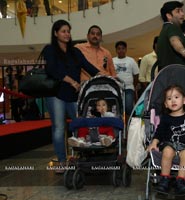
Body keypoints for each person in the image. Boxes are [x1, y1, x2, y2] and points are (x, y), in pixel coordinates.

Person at [43, 19, 100, 173]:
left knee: (80, 124)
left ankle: (81, 156)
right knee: (59, 128)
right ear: (56, 33)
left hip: (73, 95)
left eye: (68, 31)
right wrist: (72, 81)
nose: (67, 34)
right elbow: (52, 70)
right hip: (56, 94)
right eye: (63, 31)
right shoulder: (50, 50)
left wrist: (104, 76)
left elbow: (88, 67)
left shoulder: (75, 51)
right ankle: (62, 162)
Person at [156, 1, 185, 71]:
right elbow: (174, 40)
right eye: (178, 11)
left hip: (168, 75)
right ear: (169, 15)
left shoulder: (165, 29)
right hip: (178, 75)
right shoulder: (172, 27)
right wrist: (183, 51)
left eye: (182, 11)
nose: (182, 14)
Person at [113, 41, 139, 125]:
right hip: (116, 88)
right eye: (119, 49)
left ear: (126, 49)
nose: (121, 50)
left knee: (128, 107)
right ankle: (119, 125)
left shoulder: (131, 60)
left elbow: (136, 75)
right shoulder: (112, 60)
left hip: (128, 88)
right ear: (116, 50)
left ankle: (129, 125)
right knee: (117, 108)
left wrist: (133, 86)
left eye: (123, 48)